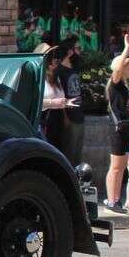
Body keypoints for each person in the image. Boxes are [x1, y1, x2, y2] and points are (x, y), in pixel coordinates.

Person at [103, 35, 129, 211]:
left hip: (125, 128)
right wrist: (126, 49)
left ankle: (116, 199)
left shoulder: (125, 85)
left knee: (122, 166)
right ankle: (111, 200)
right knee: (116, 167)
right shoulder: (115, 83)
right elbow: (116, 69)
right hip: (117, 128)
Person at [56, 37, 86, 167]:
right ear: (69, 51)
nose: (80, 51)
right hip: (70, 116)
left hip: (79, 115)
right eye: (78, 48)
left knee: (77, 153)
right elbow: (59, 95)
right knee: (69, 153)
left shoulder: (74, 68)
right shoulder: (60, 71)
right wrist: (65, 116)